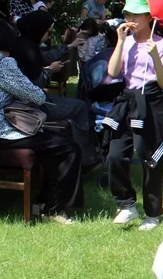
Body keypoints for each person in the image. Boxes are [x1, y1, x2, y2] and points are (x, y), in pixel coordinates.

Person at [0, 20, 83, 224]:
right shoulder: (4, 64)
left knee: (55, 141)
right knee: (67, 146)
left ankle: (42, 202)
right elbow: (36, 95)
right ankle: (55, 209)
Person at [104, 0, 163, 230]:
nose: (130, 19)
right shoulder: (126, 42)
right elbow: (113, 72)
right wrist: (120, 42)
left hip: (152, 101)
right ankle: (126, 204)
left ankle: (153, 213)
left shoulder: (161, 44)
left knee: (149, 157)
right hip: (128, 99)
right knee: (115, 153)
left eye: (135, 14)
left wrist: (155, 55)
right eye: (127, 14)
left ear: (148, 17)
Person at [13, 11, 99, 168]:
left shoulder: (25, 45)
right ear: (37, 30)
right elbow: (34, 85)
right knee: (80, 107)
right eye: (48, 31)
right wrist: (50, 71)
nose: (49, 34)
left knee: (78, 106)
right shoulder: (26, 50)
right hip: (30, 106)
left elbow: (44, 57)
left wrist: (69, 47)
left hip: (30, 102)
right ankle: (86, 159)